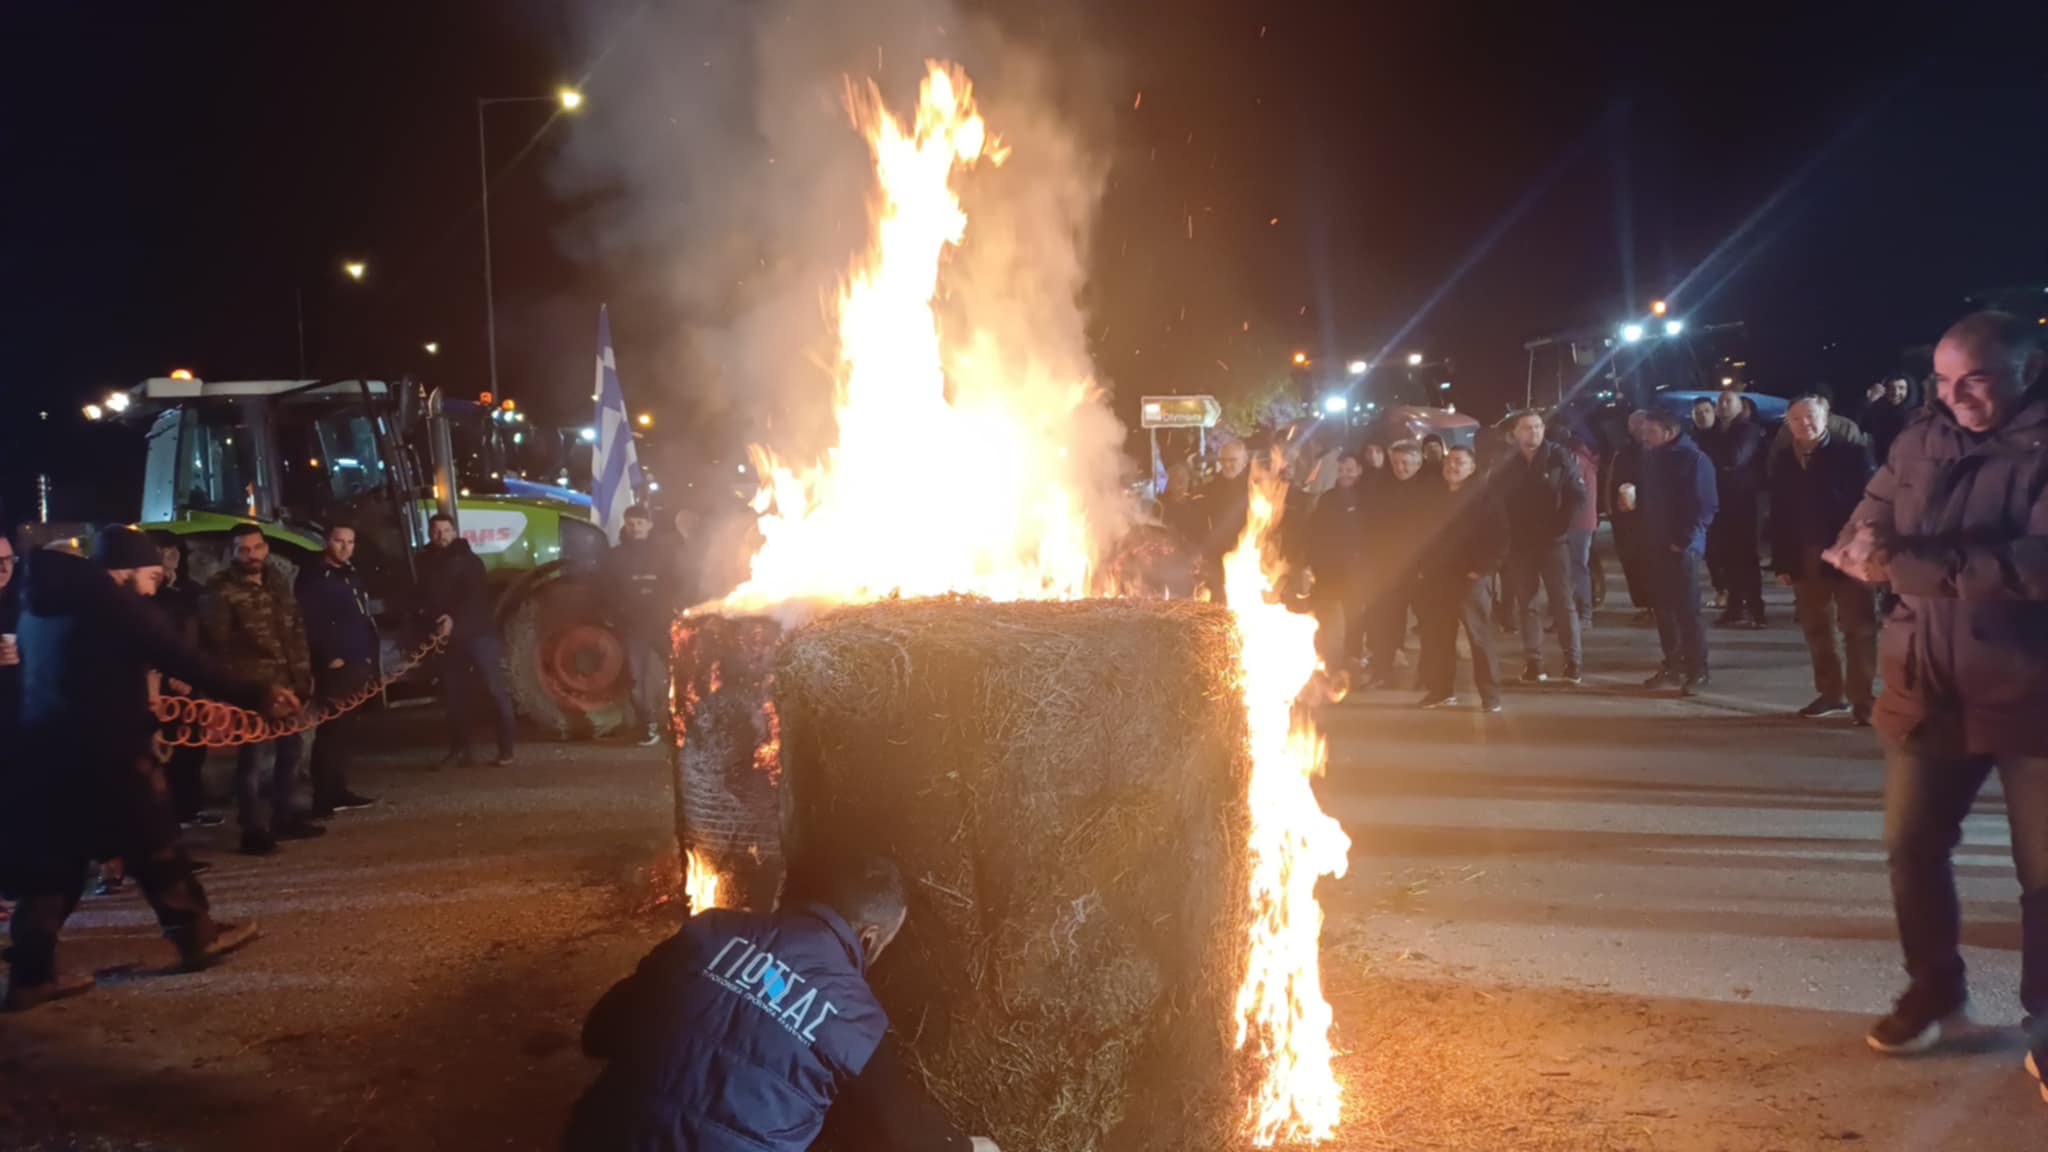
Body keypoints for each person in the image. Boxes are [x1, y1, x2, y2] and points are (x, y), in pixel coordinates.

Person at [1822, 314, 2048, 1088]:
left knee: (2044, 876)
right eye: (1944, 382)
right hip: (1929, 682)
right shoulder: (1920, 437)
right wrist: (1859, 542)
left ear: (2028, 366)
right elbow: (1876, 505)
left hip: (2034, 691)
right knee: (1912, 848)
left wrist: (1903, 566)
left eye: (1974, 380)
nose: (1955, 397)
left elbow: (2036, 565)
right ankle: (1935, 990)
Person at [3, 526, 291, 1010]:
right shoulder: (109, 601)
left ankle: (31, 976)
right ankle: (197, 936)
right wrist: (256, 693)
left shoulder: (39, 605)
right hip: (111, 752)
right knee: (157, 846)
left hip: (49, 754)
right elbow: (179, 655)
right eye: (152, 575)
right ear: (126, 571)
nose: (156, 585)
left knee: (54, 868)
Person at [564, 855, 1000, 1152]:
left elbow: (597, 1032)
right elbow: (904, 1133)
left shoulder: (707, 932)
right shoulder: (856, 1020)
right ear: (869, 938)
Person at [202, 523, 321, 856]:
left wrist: (303, 673)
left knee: (290, 753)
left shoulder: (279, 582)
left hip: (290, 684)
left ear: (266, 548)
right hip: (252, 689)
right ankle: (252, 829)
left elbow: (296, 629)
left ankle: (285, 815)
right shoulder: (220, 590)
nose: (250, 554)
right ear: (234, 552)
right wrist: (234, 688)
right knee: (252, 761)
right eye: (243, 549)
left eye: (256, 547)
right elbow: (217, 644)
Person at [1769, 396, 1876, 723]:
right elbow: (1779, 514)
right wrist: (1782, 562)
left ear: (1826, 417)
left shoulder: (1851, 455)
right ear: (1789, 424)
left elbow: (1869, 507)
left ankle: (1863, 700)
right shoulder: (1784, 460)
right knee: (1816, 627)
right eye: (1797, 419)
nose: (1805, 423)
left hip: (1847, 555)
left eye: (1811, 416)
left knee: (1857, 628)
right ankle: (1831, 693)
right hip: (1804, 556)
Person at [1496, 410, 1588, 685]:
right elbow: (1496, 501)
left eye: (1537, 426)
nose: (1534, 432)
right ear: (1516, 432)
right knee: (1527, 605)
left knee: (1562, 603)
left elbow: (1577, 495)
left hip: (1553, 543)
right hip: (1520, 545)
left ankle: (1573, 661)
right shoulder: (1507, 462)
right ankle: (1533, 662)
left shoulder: (1558, 457)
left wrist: (1562, 527)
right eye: (1527, 427)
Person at [418, 513, 517, 766]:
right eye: (436, 531)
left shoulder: (470, 561)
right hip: (448, 640)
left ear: (454, 532)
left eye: (446, 530)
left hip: (478, 636)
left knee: (495, 691)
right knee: (454, 696)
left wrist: (452, 619)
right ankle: (460, 750)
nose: (441, 535)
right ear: (430, 533)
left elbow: (474, 598)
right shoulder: (425, 561)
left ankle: (506, 748)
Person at [296, 523, 380, 817]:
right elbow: (310, 620)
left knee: (345, 731)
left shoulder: (351, 574)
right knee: (331, 732)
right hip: (337, 665)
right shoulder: (316, 578)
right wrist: (329, 656)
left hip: (357, 660)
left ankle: (338, 789)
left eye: (350, 542)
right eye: (339, 541)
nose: (345, 547)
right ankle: (323, 796)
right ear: (326, 542)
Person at [1416, 446, 1508, 712]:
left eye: (1459, 462)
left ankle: (1491, 697)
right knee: (1438, 638)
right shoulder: (1436, 495)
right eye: (1449, 461)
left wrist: (1480, 569)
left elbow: (1500, 538)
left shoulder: (1485, 497)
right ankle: (1441, 691)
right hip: (1438, 578)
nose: (1452, 466)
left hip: (1470, 579)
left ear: (1471, 467)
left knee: (1478, 639)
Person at [1637, 410, 1718, 694]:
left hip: (1682, 548)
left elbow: (1705, 506)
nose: (1644, 435)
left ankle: (1698, 669)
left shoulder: (1694, 459)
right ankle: (1672, 664)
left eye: (1651, 430)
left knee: (1687, 610)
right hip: (1655, 544)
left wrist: (1682, 540)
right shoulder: (1652, 458)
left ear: (1669, 431)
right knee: (1664, 609)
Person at [146, 532, 221, 830]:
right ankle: (171, 816)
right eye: (162, 549)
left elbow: (205, 636)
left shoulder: (192, 590)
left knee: (193, 747)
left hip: (192, 681)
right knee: (167, 751)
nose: (169, 554)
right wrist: (172, 674)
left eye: (173, 549)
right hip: (164, 686)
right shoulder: (149, 594)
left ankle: (190, 807)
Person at [604, 504, 681, 747]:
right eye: (631, 523)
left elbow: (677, 582)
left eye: (640, 522)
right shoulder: (615, 556)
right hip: (632, 628)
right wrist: (616, 615)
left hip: (661, 624)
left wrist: (671, 607)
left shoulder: (664, 554)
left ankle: (682, 721)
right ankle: (648, 726)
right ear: (625, 525)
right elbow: (605, 589)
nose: (635, 527)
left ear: (649, 525)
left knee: (680, 672)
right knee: (636, 681)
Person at [1362, 440, 1433, 685]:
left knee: (1428, 622)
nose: (1399, 467)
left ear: (1417, 462)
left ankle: (1428, 674)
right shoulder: (1381, 488)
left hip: (1422, 567)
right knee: (1388, 621)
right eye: (1395, 462)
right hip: (1390, 566)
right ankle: (1382, 670)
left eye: (1405, 463)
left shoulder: (1429, 489)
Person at [1704, 390, 1768, 628]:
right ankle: (1735, 607)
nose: (1722, 404)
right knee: (1727, 558)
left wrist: (1713, 459)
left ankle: (1756, 609)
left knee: (1745, 557)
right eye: (1720, 401)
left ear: (1741, 406)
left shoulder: (1748, 430)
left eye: (1728, 400)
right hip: (1721, 500)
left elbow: (1734, 458)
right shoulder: (1715, 432)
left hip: (1742, 501)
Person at [1306, 452, 1371, 675]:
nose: (1345, 474)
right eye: (1341, 470)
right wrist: (1312, 562)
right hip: (1327, 568)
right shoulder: (1328, 498)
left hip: (1355, 568)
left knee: (1354, 613)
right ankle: (1324, 657)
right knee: (1324, 614)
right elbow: (1314, 531)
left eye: (1350, 469)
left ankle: (1353, 655)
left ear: (1359, 470)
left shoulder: (1367, 497)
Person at [1609, 411, 1656, 624]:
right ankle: (1645, 604)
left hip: (1653, 518)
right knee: (1633, 563)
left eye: (1642, 423)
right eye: (1634, 424)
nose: (1639, 428)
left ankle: (1659, 604)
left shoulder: (1659, 449)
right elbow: (1612, 482)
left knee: (1653, 564)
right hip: (1627, 518)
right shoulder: (1624, 453)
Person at [1195, 441, 1251, 606]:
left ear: (1244, 461)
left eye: (1232, 460)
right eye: (1223, 460)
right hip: (1218, 553)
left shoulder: (1256, 487)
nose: (1227, 464)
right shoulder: (1212, 487)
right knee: (1218, 601)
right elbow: (1202, 520)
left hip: (1247, 551)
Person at [1560, 427, 1600, 626]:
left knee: (1576, 568)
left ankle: (1584, 614)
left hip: (1578, 524)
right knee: (1574, 568)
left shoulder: (1576, 463)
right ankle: (1576, 614)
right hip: (1581, 523)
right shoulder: (1584, 461)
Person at [1860, 375, 1913, 466]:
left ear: (1909, 391)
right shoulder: (1876, 411)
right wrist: (1869, 401)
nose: (1896, 392)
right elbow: (1861, 428)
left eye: (1901, 388)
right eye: (1891, 388)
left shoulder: (1915, 415)